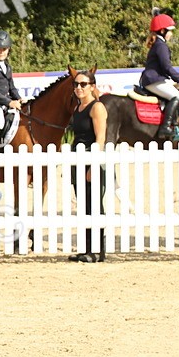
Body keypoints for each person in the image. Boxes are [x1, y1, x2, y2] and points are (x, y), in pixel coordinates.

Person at [68, 70, 108, 263]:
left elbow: (100, 139)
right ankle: (86, 249)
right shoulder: (78, 108)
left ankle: (98, 251)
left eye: (83, 84)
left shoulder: (97, 107)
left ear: (92, 86)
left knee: (95, 206)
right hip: (79, 162)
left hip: (92, 163)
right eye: (76, 84)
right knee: (83, 207)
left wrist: (93, 165)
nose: (79, 88)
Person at [139, 13, 179, 142]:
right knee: (177, 96)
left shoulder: (158, 44)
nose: (171, 34)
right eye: (170, 31)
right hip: (153, 80)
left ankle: (175, 117)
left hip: (156, 78)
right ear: (162, 31)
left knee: (178, 93)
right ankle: (165, 127)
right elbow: (167, 67)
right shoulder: (161, 45)